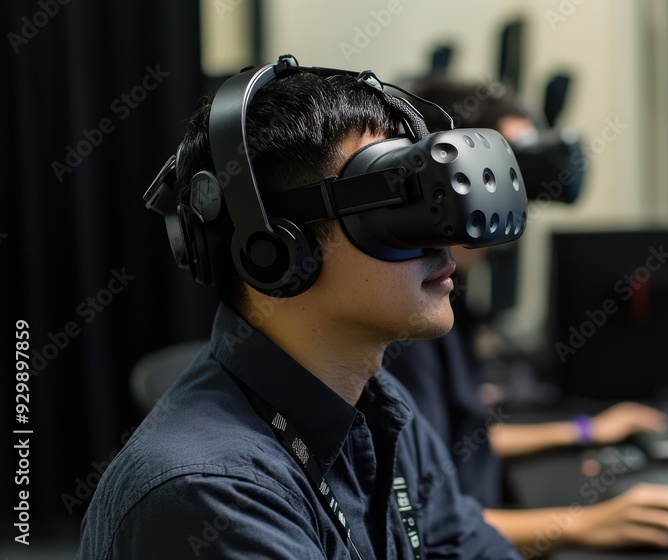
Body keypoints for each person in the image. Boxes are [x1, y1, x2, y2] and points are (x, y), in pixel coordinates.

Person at [76, 61, 521, 559]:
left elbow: (469, 548)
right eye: (397, 207)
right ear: (276, 251)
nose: (447, 238)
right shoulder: (214, 495)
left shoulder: (379, 404)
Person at [387, 80, 668, 553]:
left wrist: (585, 430)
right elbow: (423, 525)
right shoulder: (413, 317)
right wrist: (582, 524)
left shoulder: (446, 295)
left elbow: (463, 442)